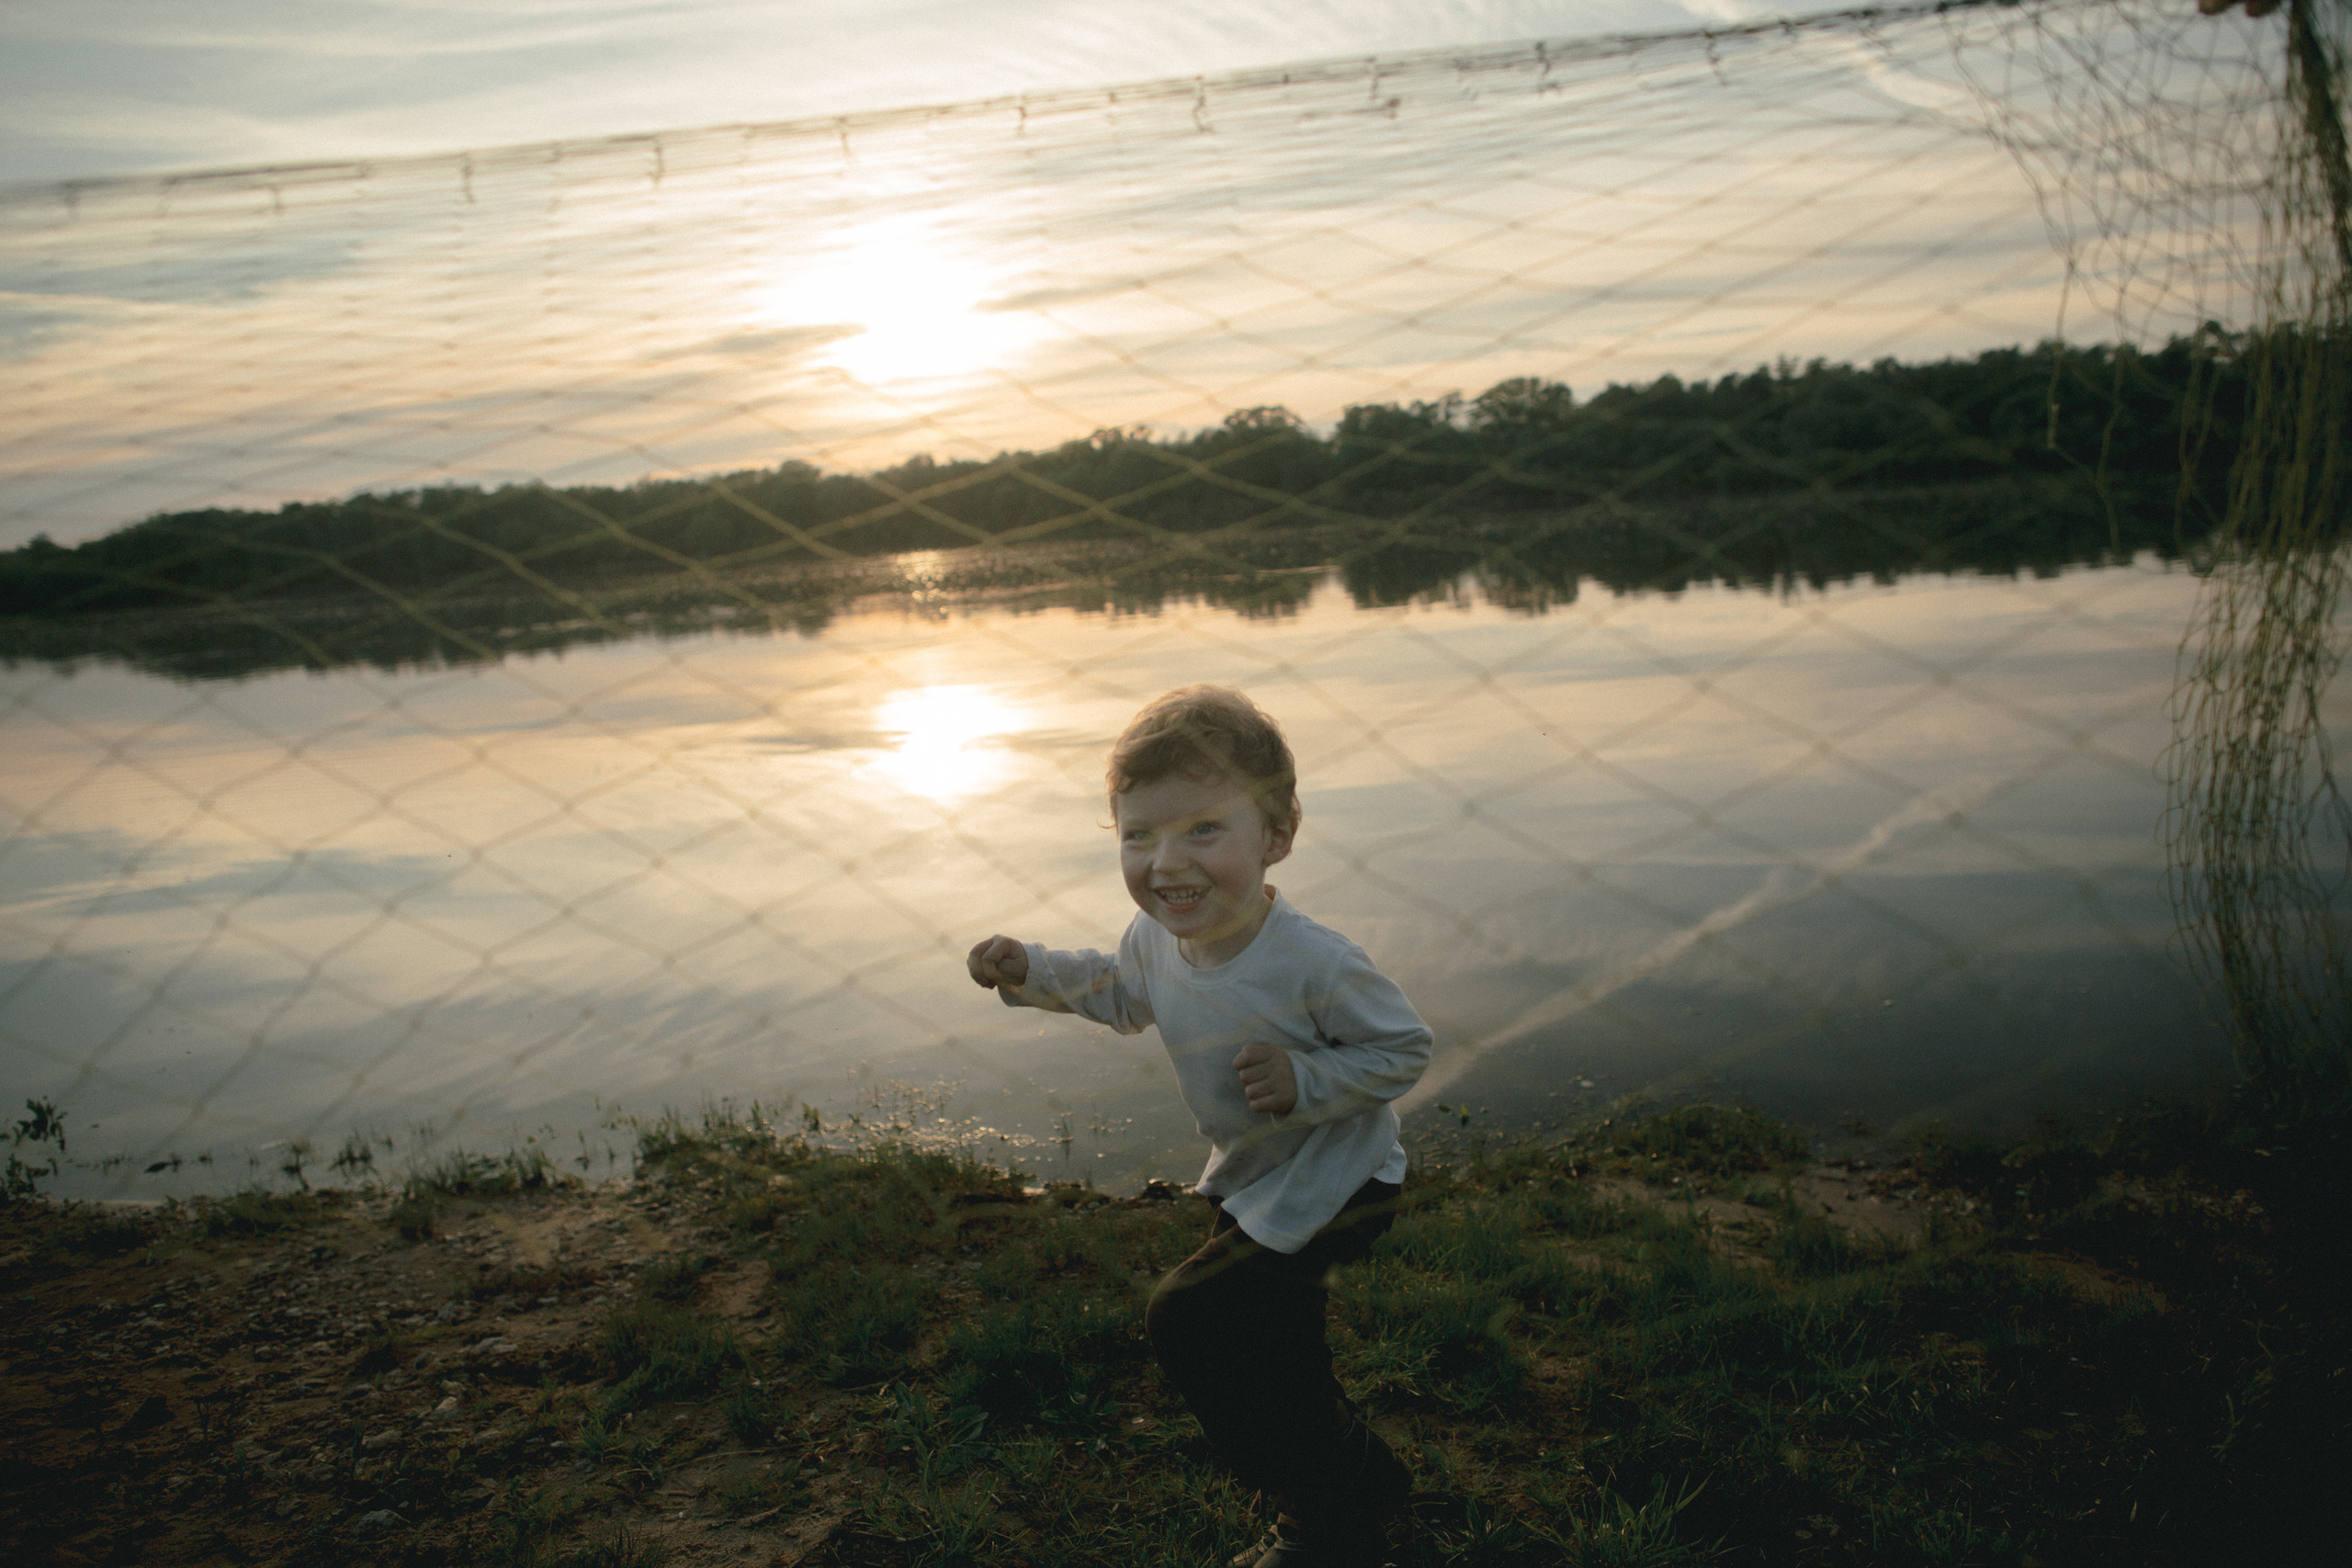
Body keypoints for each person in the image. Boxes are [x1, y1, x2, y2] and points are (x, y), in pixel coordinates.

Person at [966, 684, 1430, 1568]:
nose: (1166, 863)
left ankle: (1318, 1517)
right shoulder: (1156, 940)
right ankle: (1357, 1476)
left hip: (1342, 1181)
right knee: (1277, 1347)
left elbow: (1406, 1049)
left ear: (1277, 836)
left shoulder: (1313, 960)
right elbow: (1115, 989)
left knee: (1191, 1319)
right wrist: (1029, 970)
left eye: (1203, 830)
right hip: (1259, 1176)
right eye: (1138, 835)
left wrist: (1311, 1077)